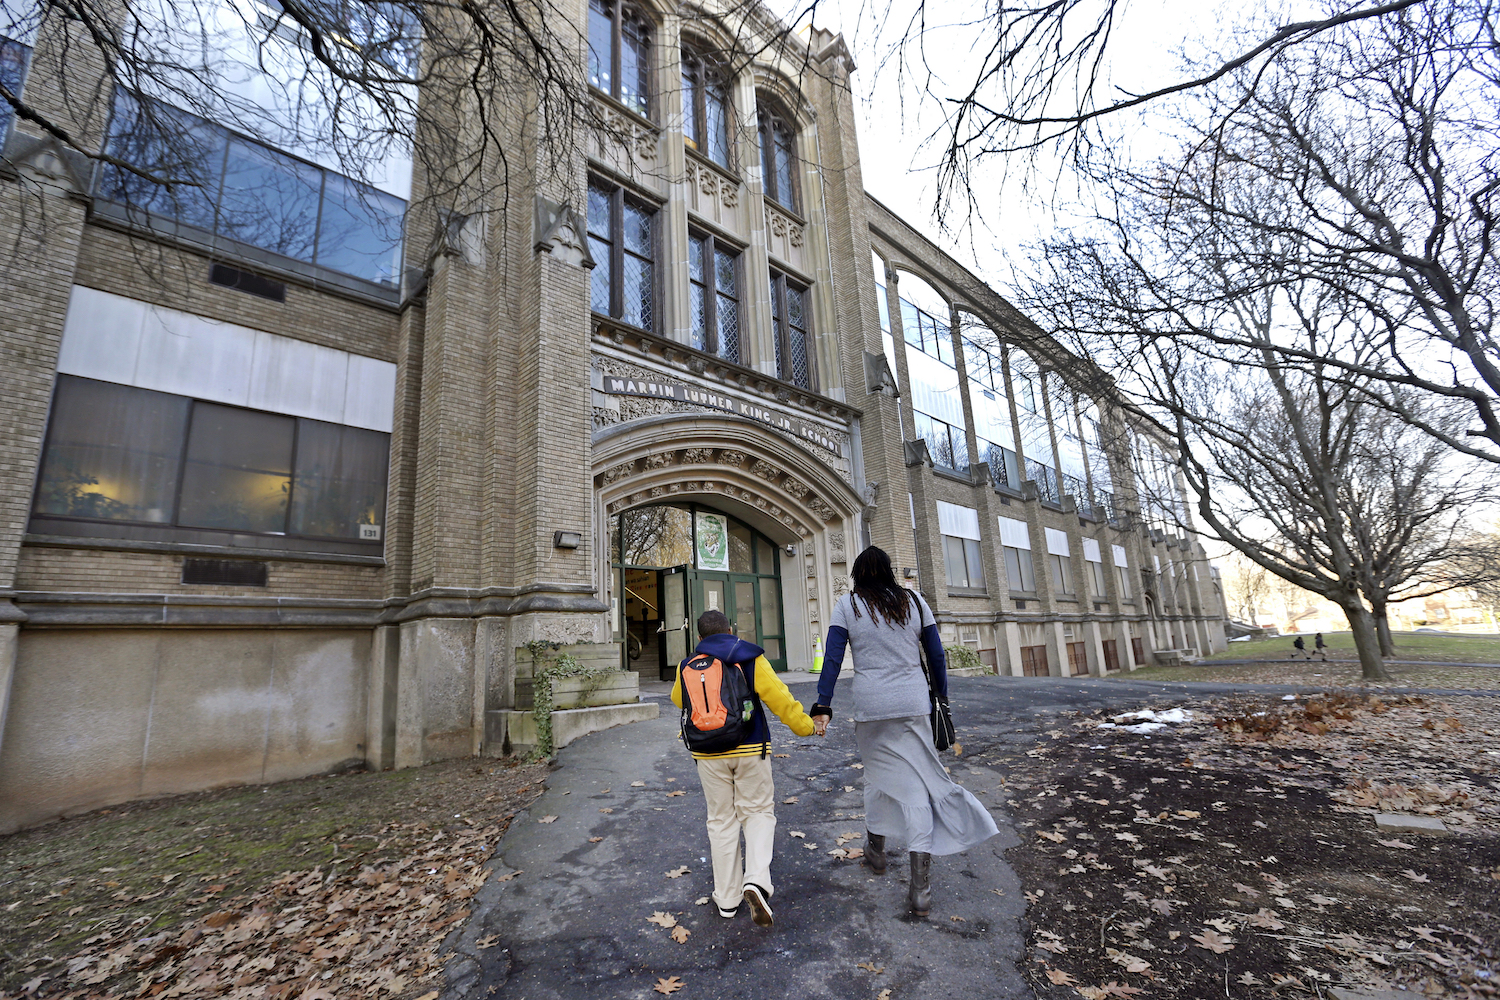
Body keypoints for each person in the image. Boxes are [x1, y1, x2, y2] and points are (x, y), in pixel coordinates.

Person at [809, 546, 999, 917]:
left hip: (872, 707)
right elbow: (936, 654)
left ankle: (876, 852)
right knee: (917, 788)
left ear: (859, 575)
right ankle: (920, 887)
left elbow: (833, 657)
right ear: (889, 572)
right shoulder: (913, 602)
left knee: (876, 778)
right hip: (913, 705)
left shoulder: (849, 605)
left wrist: (823, 704)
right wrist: (941, 696)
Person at [671, 609, 816, 928]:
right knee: (758, 812)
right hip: (750, 748)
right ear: (731, 630)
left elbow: (678, 699)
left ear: (699, 638)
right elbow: (780, 698)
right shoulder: (747, 656)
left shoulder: (688, 665)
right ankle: (756, 880)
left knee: (721, 820)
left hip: (708, 754)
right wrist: (805, 727)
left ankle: (726, 899)